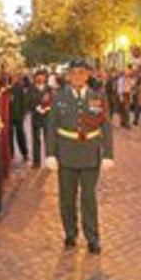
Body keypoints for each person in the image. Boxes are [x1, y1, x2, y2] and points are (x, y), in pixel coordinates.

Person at [45, 59, 114, 254]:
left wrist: (108, 153)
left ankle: (92, 237)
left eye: (81, 73)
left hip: (90, 153)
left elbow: (105, 126)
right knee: (67, 197)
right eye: (74, 73)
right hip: (66, 153)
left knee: (89, 198)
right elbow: (51, 127)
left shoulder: (97, 97)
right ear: (68, 76)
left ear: (87, 75)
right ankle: (70, 233)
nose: (77, 76)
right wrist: (50, 153)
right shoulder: (58, 97)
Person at [28, 70, 53, 168]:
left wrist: (48, 108)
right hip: (36, 117)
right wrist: (36, 108)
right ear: (35, 78)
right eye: (38, 77)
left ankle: (49, 161)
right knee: (36, 140)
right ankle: (36, 162)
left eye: (42, 76)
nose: (40, 78)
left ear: (45, 78)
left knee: (48, 139)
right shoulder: (31, 89)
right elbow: (28, 101)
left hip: (47, 117)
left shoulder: (49, 89)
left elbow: (53, 100)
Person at [9, 73, 30, 162]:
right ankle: (10, 154)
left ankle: (25, 153)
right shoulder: (6, 87)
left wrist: (23, 113)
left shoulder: (19, 87)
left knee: (20, 134)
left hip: (18, 115)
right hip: (8, 115)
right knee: (9, 135)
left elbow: (23, 101)